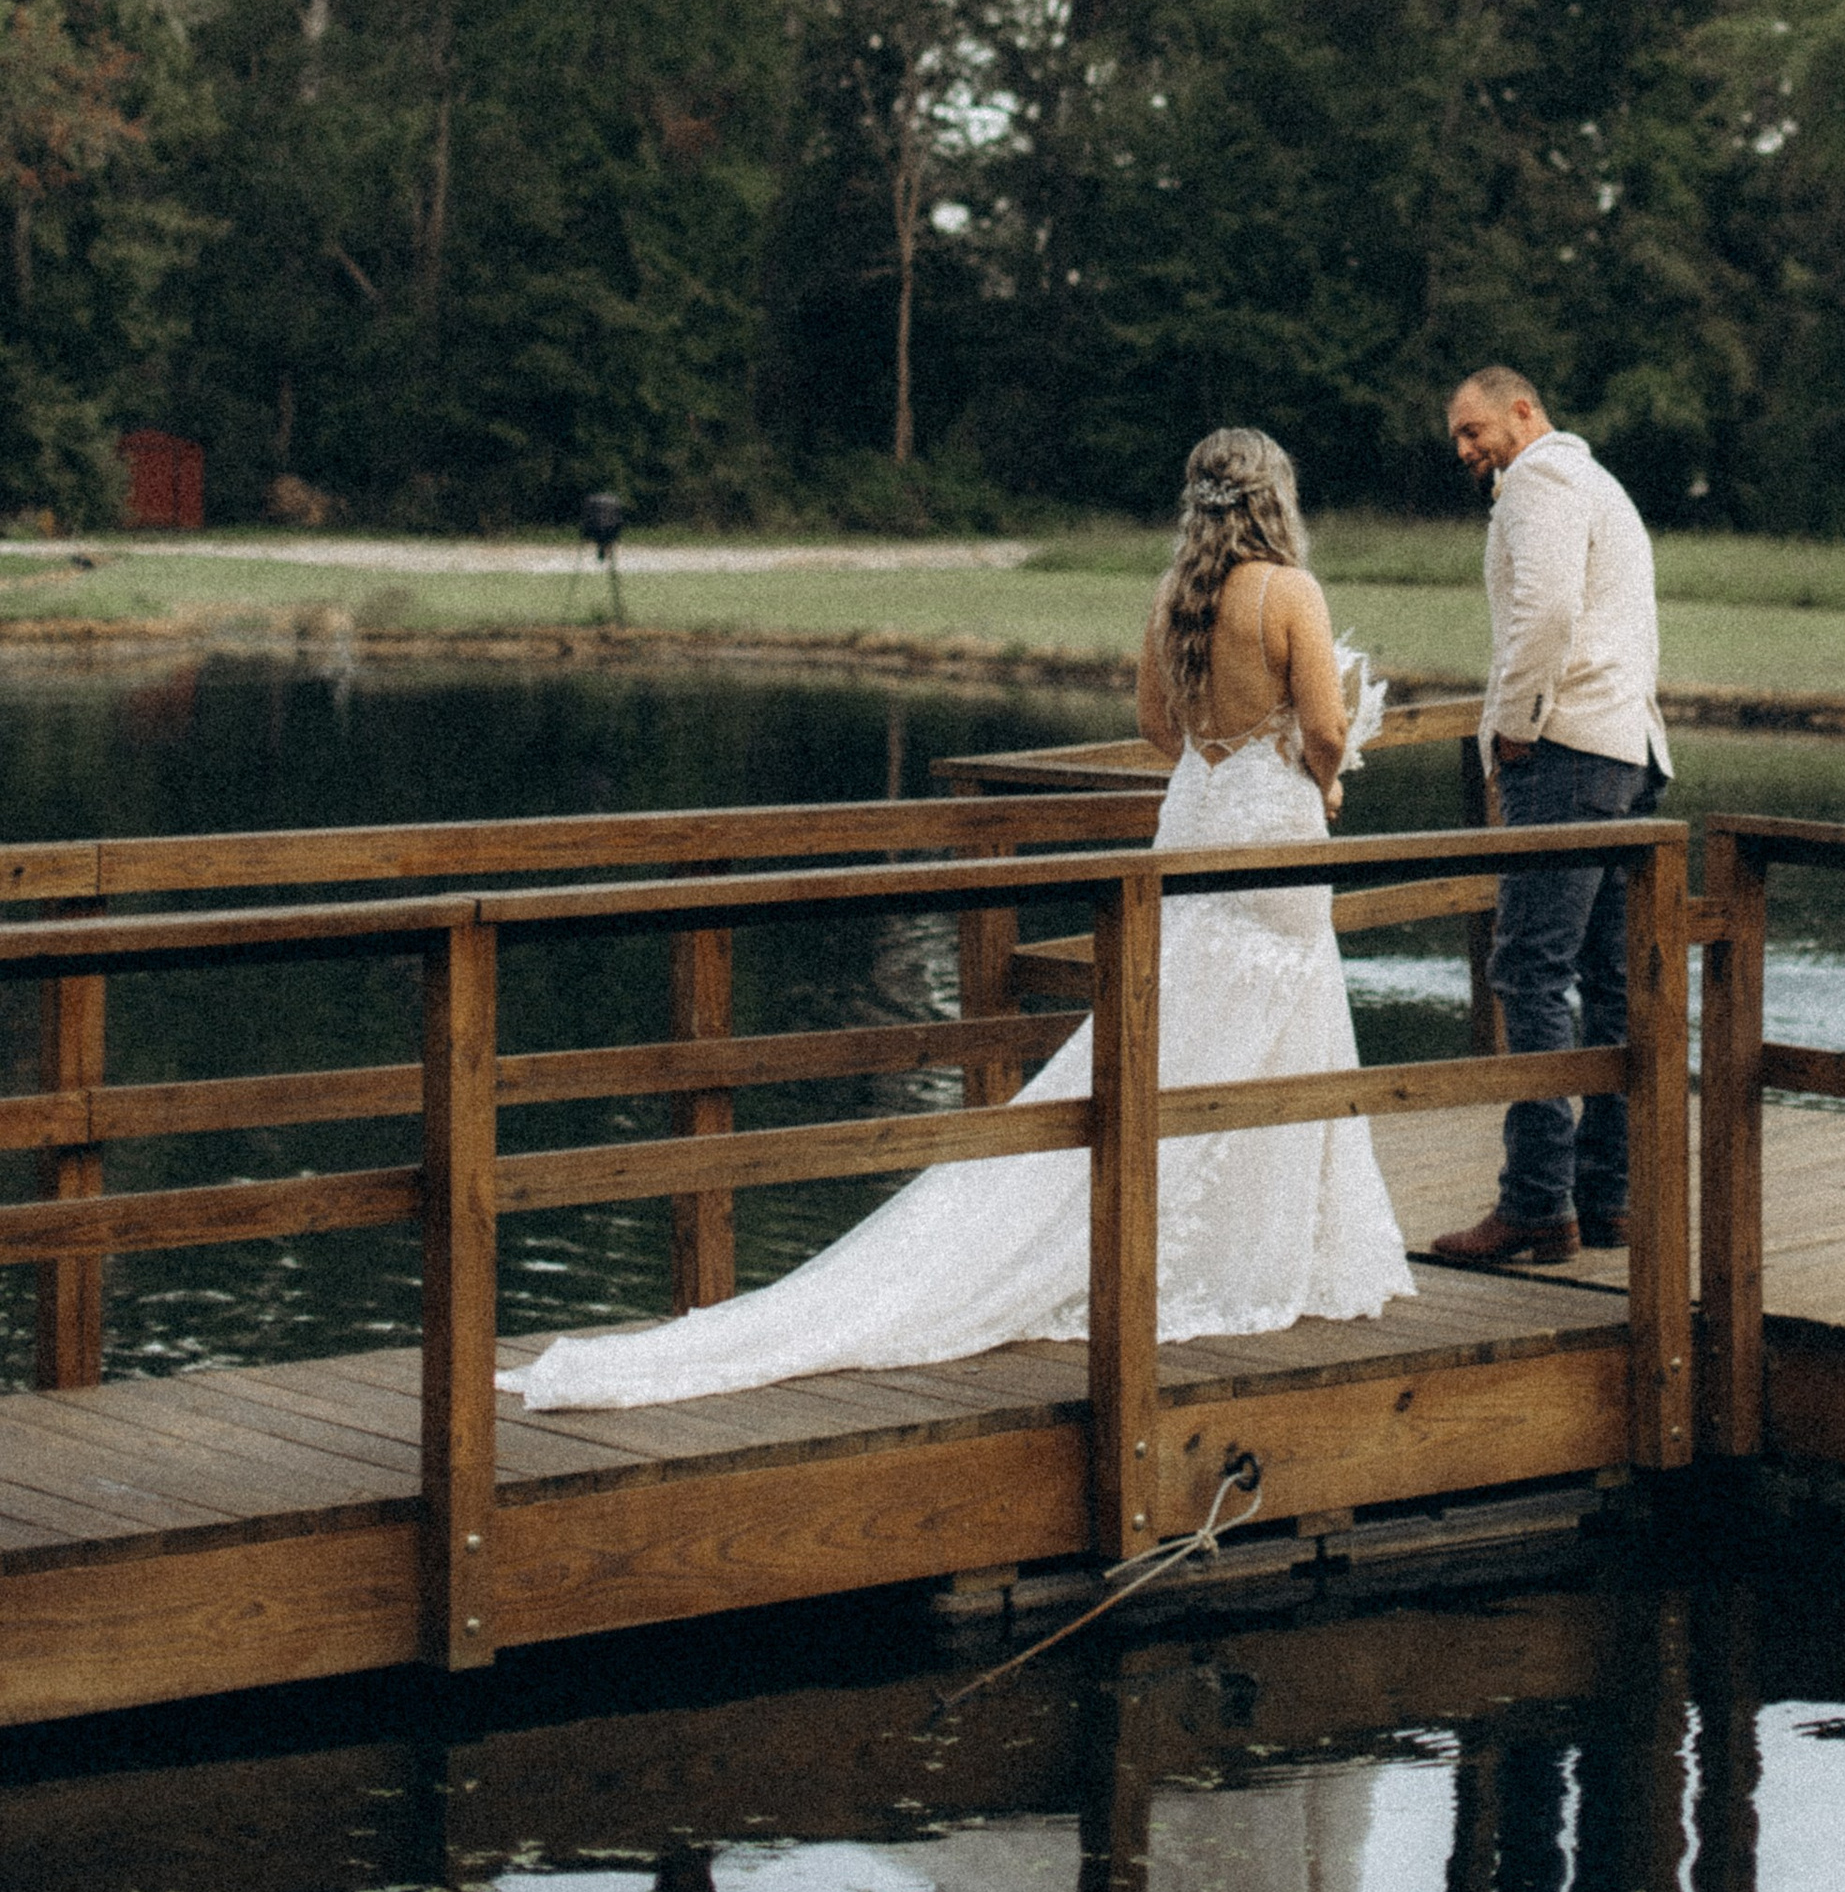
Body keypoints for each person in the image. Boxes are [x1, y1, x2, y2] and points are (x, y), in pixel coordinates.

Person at [503, 427, 1414, 1409]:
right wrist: (1319, 779)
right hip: (1272, 829)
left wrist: (1224, 755)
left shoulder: (1172, 598)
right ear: (1276, 499)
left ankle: (1215, 1246)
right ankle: (1257, 1254)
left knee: (1174, 1034)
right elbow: (1323, 725)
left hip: (1195, 818)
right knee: (1275, 1033)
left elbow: (1160, 727)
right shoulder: (1290, 592)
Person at [1430, 366, 1671, 1267]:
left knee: (1529, 970)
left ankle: (1536, 1203)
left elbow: (1548, 611)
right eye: (1457, 438)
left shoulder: (1539, 480)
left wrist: (1517, 724)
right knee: (1606, 982)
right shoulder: (1594, 481)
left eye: (1474, 428)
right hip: (1623, 753)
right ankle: (1608, 1197)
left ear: (1523, 412)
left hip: (1566, 751)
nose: (1466, 450)